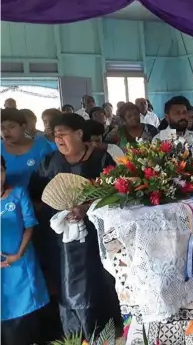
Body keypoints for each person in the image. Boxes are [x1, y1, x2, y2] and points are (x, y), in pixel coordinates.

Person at [29, 113, 122, 338]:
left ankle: (105, 333)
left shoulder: (100, 159)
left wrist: (87, 207)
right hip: (60, 240)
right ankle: (74, 335)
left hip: (95, 235)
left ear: (79, 134)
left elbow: (115, 193)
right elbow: (37, 195)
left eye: (63, 134)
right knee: (66, 283)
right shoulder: (49, 162)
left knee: (98, 280)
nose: (58, 139)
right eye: (55, 136)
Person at [1, 156, 51, 345]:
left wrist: (18, 254)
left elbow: (29, 225)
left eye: (0, 171)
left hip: (21, 261)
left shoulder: (18, 193)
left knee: (25, 311)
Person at [1, 108, 55, 187]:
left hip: (38, 197)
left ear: (23, 126)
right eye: (2, 128)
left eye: (11, 127)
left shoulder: (43, 147)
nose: (6, 131)